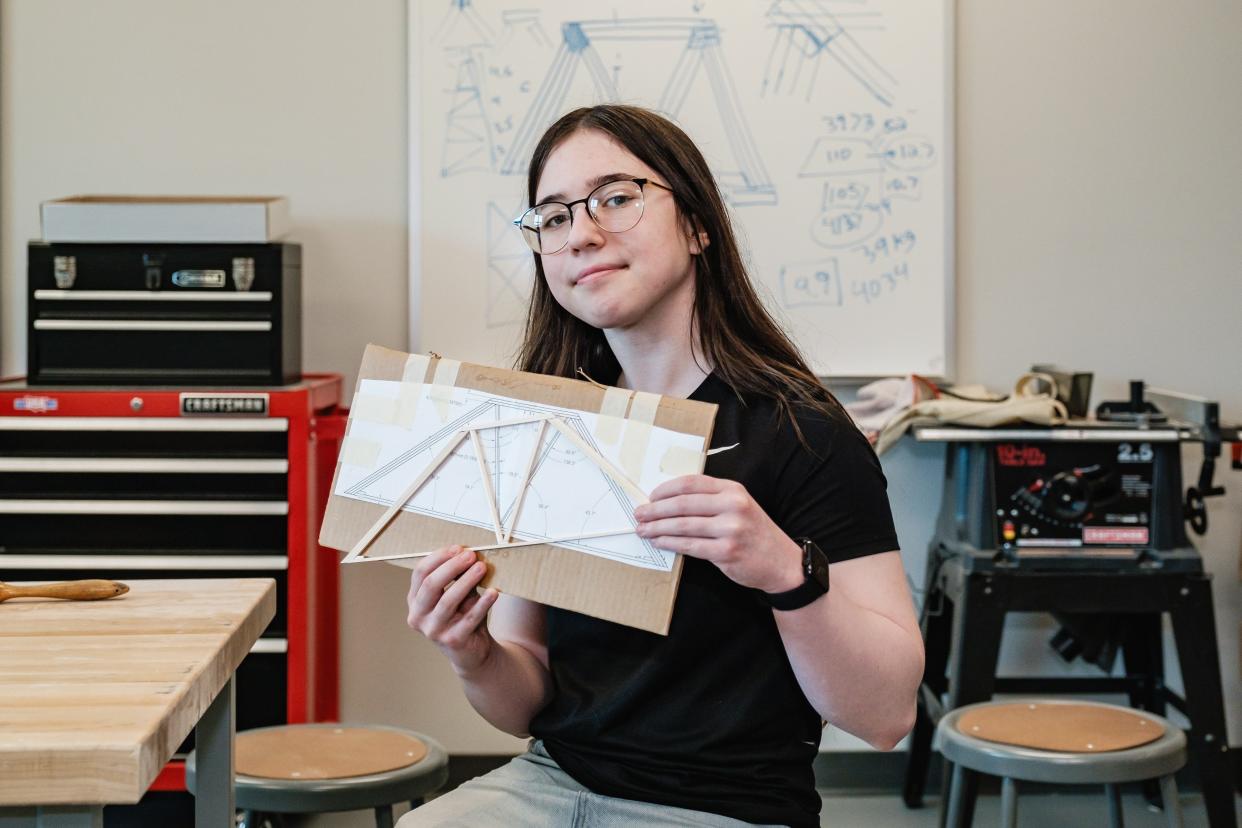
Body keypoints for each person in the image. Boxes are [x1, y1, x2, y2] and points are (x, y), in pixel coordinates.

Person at [397, 104, 924, 828]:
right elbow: (524, 707)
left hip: (726, 807)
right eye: (553, 217)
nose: (581, 233)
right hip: (552, 783)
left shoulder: (803, 431)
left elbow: (887, 715)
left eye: (616, 198)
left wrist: (781, 568)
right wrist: (472, 651)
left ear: (699, 225)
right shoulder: (551, 425)